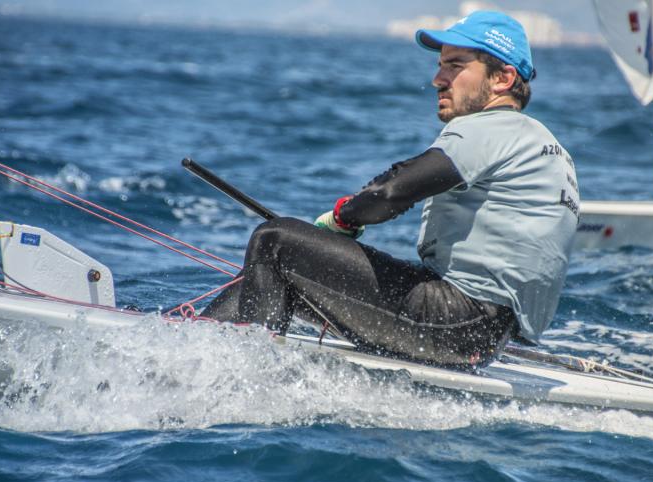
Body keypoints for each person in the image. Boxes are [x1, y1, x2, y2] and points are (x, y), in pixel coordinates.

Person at [202, 11, 580, 368]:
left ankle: (240, 371)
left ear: (503, 79)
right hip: (488, 338)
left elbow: (391, 192)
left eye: (455, 65)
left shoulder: (493, 127)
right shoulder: (550, 148)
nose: (438, 79)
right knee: (291, 272)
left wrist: (342, 219)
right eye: (439, 65)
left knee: (276, 241)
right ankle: (196, 338)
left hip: (455, 322)